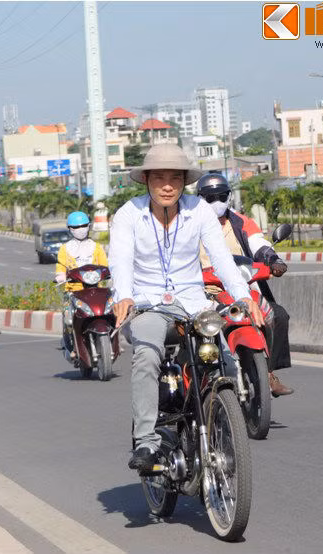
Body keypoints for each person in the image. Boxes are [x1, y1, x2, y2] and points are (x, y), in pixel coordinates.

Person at [108, 144, 264, 471]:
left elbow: (221, 258)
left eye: (175, 178)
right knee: (147, 355)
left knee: (224, 360)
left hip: (193, 304)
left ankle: (221, 420)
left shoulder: (199, 211)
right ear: (146, 180)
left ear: (184, 182)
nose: (167, 185)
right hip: (148, 306)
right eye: (159, 178)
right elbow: (120, 260)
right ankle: (148, 442)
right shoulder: (128, 215)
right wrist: (123, 295)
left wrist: (243, 294)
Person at [197, 173, 294, 396]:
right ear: (200, 199)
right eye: (210, 198)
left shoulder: (240, 222)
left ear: (229, 196)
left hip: (242, 290)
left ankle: (267, 372)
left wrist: (273, 260)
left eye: (221, 196)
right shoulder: (190, 225)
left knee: (278, 316)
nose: (216, 202)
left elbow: (259, 244)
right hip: (205, 293)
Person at [55, 211, 108, 358]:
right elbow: (61, 266)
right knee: (68, 319)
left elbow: (104, 265)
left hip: (95, 289)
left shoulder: (96, 247)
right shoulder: (65, 249)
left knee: (112, 310)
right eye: (76, 227)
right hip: (73, 291)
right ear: (70, 229)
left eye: (84, 226)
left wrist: (110, 273)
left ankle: (112, 339)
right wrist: (60, 275)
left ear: (89, 226)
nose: (81, 229)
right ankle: (71, 347)